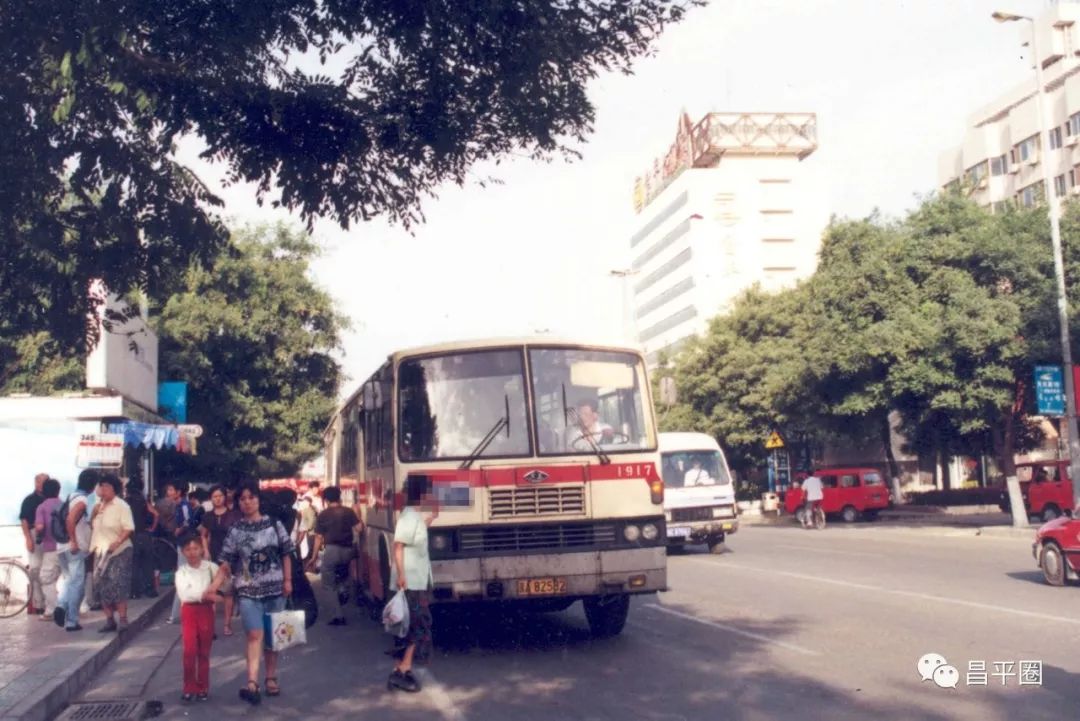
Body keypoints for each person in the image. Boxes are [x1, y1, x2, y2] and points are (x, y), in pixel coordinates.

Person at [205, 481, 294, 705]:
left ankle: (271, 677)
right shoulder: (235, 530)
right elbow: (226, 563)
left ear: (258, 499)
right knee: (254, 635)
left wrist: (288, 580)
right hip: (247, 592)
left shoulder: (274, 524)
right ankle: (252, 681)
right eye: (242, 499)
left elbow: (286, 553)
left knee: (274, 638)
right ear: (238, 503)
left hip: (276, 591)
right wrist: (213, 586)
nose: (247, 502)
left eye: (251, 497)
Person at [387, 475, 437, 693]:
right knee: (417, 624)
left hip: (417, 580)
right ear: (422, 494)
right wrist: (401, 575)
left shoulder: (414, 517)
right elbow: (398, 546)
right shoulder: (408, 517)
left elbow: (416, 534)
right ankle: (403, 669)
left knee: (411, 624)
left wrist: (432, 517)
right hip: (411, 582)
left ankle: (401, 668)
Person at [305, 487, 362, 625]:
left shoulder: (323, 515)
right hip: (348, 551)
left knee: (328, 584)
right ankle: (343, 588)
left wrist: (313, 557)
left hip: (331, 551)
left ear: (326, 500)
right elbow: (359, 528)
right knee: (343, 573)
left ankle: (338, 616)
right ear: (339, 497)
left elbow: (318, 537)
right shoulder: (348, 511)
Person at [176, 531, 221, 702]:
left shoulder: (211, 567)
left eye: (195, 548)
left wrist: (219, 593)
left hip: (206, 612)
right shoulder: (181, 572)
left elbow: (223, 582)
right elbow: (185, 595)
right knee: (189, 651)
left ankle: (203, 686)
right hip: (189, 611)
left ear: (202, 549)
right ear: (183, 552)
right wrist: (206, 595)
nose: (192, 552)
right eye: (188, 549)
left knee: (204, 651)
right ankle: (189, 686)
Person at [90, 473, 135, 632]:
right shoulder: (98, 506)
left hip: (119, 551)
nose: (104, 489)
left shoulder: (122, 506)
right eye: (101, 486)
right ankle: (109, 620)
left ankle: (123, 619)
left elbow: (128, 527)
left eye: (107, 486)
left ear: (114, 489)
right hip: (100, 550)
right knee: (101, 586)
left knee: (117, 585)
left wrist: (117, 542)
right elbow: (93, 527)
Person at [55, 470, 97, 631]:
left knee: (69, 580)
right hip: (74, 547)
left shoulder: (71, 496)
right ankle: (71, 621)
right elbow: (70, 519)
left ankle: (61, 605)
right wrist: (74, 541)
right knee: (77, 583)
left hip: (62, 545)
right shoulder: (82, 500)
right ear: (92, 486)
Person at [200, 485, 240, 636]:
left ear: (225, 497)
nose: (217, 499)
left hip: (229, 558)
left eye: (220, 496)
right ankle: (211, 627)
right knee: (212, 592)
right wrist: (205, 550)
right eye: (214, 496)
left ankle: (227, 625)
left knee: (228, 592)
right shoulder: (207, 516)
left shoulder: (234, 515)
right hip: (212, 556)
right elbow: (203, 535)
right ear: (211, 498)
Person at [32, 478, 63, 621]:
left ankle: (52, 610)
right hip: (66, 547)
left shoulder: (42, 507)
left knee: (45, 579)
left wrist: (38, 533)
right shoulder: (63, 505)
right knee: (64, 578)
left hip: (50, 548)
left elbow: (40, 527)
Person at [19, 473, 48, 616]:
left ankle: (48, 602)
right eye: (42, 481)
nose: (43, 484)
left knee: (48, 570)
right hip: (34, 534)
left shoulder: (51, 498)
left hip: (49, 537)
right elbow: (24, 521)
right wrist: (28, 539)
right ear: (36, 483)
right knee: (35, 569)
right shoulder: (29, 500)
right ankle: (38, 603)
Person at [127, 480, 159, 599]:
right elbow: (156, 514)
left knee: (134, 564)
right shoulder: (143, 501)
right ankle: (150, 591)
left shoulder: (126, 501)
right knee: (147, 564)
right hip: (145, 535)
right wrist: (152, 528)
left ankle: (135, 592)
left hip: (132, 535)